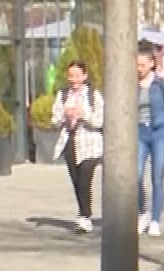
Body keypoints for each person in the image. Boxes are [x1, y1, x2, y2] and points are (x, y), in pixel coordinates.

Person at [134, 45, 164, 237]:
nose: (139, 69)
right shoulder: (131, 85)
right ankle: (142, 212)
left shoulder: (161, 85)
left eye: (143, 65)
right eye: (137, 65)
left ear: (151, 64)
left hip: (160, 133)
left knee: (157, 177)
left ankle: (155, 220)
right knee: (136, 175)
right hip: (139, 132)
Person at [51, 61, 104, 233]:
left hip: (90, 144)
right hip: (70, 142)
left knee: (84, 180)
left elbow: (100, 121)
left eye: (77, 76)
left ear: (85, 76)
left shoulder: (94, 95)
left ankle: (84, 216)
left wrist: (83, 114)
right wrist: (64, 116)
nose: (73, 79)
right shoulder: (63, 95)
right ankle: (83, 213)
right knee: (76, 181)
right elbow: (54, 120)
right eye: (71, 76)